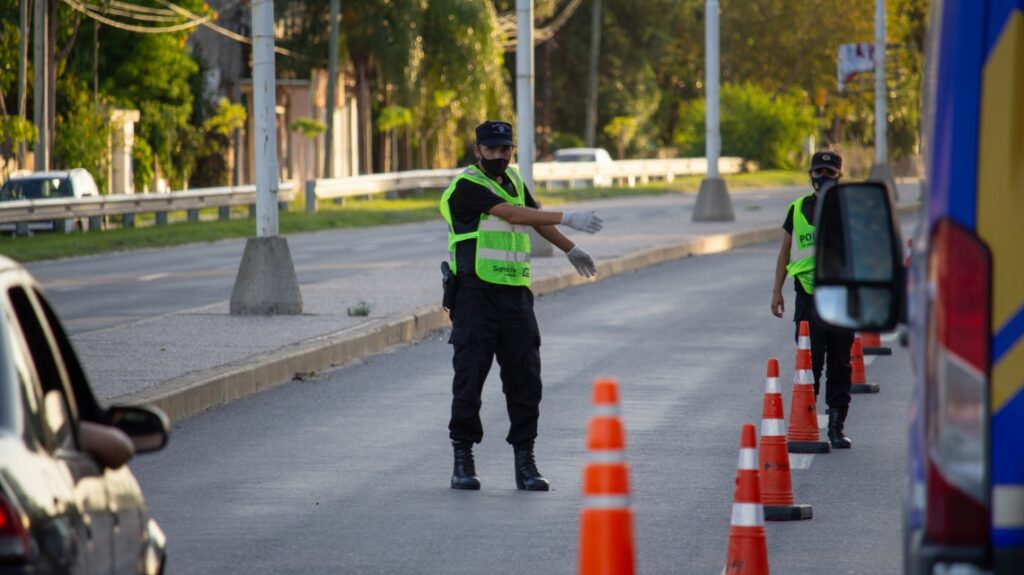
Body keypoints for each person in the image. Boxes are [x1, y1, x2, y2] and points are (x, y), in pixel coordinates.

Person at [439, 120, 604, 491]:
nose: (499, 155)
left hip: (515, 296)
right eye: (492, 149)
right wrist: (569, 217)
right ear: (478, 150)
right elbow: (513, 215)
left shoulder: (512, 180)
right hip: (474, 296)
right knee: (470, 379)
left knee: (525, 380)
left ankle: (525, 461)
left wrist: (569, 248)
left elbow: (532, 215)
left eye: (505, 149)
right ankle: (463, 460)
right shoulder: (467, 186)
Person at [770, 150, 854, 449]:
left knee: (840, 365)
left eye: (830, 174)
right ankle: (807, 423)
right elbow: (785, 252)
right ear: (811, 175)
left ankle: (835, 426)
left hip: (842, 298)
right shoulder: (797, 208)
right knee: (810, 365)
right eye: (819, 173)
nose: (823, 178)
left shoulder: (850, 209)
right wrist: (776, 291)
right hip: (807, 298)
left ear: (839, 177)